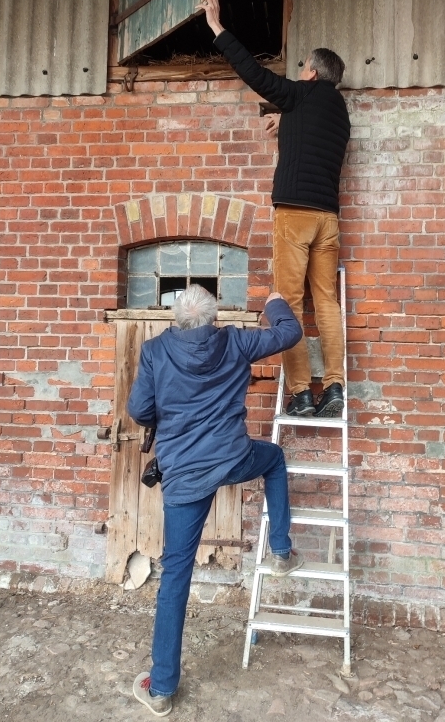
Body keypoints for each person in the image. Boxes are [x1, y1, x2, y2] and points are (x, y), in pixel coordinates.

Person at [128, 284, 303, 716]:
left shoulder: (154, 352)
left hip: (185, 476)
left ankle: (163, 687)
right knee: (275, 459)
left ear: (177, 318)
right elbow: (289, 332)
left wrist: (163, 414)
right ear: (212, 318)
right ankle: (281, 550)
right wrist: (275, 301)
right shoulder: (236, 341)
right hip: (232, 460)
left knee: (175, 577)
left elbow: (139, 410)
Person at [197, 0, 351, 419]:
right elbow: (311, 131)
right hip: (328, 219)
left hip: (295, 216)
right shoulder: (339, 112)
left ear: (313, 73)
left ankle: (301, 393)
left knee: (287, 301)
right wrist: (285, 122)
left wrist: (216, 26)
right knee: (326, 303)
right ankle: (335, 386)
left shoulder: (303, 94)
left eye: (302, 67)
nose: (299, 73)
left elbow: (254, 73)